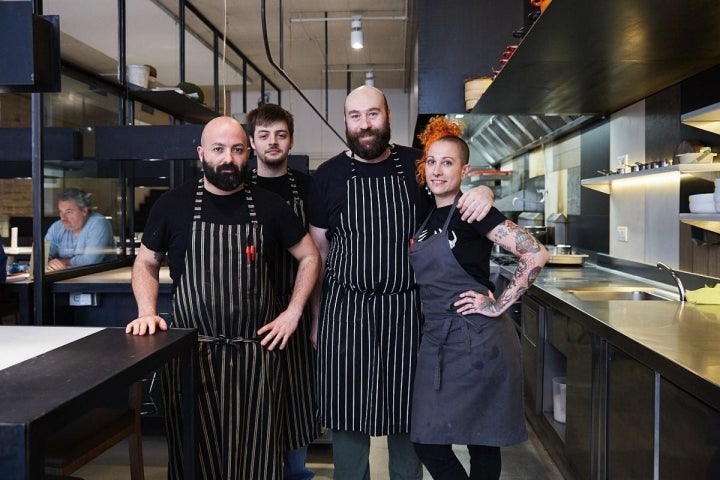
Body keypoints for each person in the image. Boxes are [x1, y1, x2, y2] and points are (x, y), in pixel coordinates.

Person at [307, 85, 496, 480]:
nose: (365, 124)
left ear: (388, 115)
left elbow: (455, 202)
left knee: (408, 413)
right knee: (346, 411)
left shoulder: (417, 165)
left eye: (372, 114)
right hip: (345, 309)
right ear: (346, 121)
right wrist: (316, 319)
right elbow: (320, 254)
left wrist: (483, 189)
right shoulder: (327, 177)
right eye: (355, 116)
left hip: (408, 310)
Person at [125, 115, 321, 479]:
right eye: (218, 149)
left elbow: (311, 256)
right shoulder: (172, 205)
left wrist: (294, 312)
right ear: (201, 153)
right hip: (190, 357)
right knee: (192, 459)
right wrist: (146, 310)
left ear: (248, 154)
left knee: (258, 461)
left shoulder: (269, 206)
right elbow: (146, 263)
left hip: (256, 359)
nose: (227, 158)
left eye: (236, 149)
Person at [409, 116, 549, 480]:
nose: (438, 170)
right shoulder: (426, 213)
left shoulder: (474, 211)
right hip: (439, 338)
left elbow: (535, 254)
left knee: (482, 441)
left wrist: (499, 303)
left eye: (448, 162)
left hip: (479, 341)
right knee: (426, 441)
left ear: (464, 169)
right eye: (432, 161)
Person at [246, 103, 318, 480]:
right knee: (255, 399)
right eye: (264, 135)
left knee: (297, 396)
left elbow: (320, 252)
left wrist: (313, 316)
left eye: (280, 134)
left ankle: (296, 472)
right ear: (252, 142)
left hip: (298, 304)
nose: (273, 142)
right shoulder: (237, 187)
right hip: (249, 309)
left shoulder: (308, 187)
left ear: (290, 140)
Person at [44, 187, 115, 270]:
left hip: (97, 279)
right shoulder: (57, 227)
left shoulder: (98, 223)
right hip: (62, 279)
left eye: (69, 212)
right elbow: (42, 255)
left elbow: (91, 261)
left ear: (84, 211)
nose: (63, 218)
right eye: (61, 212)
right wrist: (48, 261)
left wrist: (62, 262)